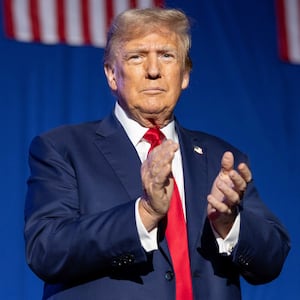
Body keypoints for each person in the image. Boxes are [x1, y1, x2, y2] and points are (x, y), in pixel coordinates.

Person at [24, 8, 290, 300]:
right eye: (137, 56)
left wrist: (230, 224)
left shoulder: (222, 159)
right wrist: (145, 213)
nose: (153, 70)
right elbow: (46, 251)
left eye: (166, 55)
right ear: (112, 74)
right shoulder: (63, 149)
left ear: (185, 74)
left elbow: (272, 260)